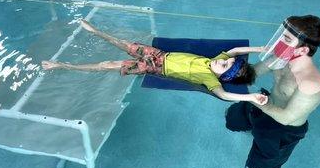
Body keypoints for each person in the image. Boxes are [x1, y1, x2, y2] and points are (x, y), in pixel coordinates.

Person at [225, 15, 320, 168]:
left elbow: (287, 118)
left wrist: (255, 101)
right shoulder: (283, 55)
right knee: (231, 119)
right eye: (281, 35)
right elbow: (253, 74)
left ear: (302, 50)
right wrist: (224, 69)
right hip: (264, 106)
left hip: (280, 132)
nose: (279, 42)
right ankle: (249, 124)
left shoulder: (311, 82)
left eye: (287, 39)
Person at [42, 20, 268, 105]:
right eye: (227, 61)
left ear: (224, 77)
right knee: (122, 43)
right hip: (159, 54)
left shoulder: (209, 79)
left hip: (154, 67)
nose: (224, 62)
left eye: (226, 67)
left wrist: (250, 97)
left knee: (108, 64)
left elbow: (224, 95)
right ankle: (97, 32)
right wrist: (260, 49)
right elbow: (236, 50)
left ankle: (62, 66)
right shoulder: (217, 59)